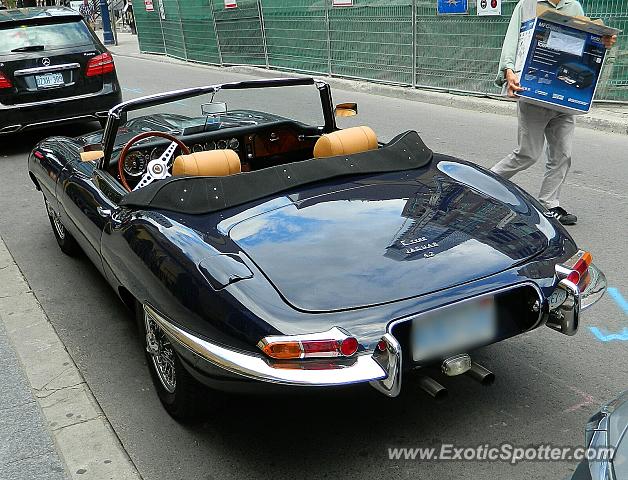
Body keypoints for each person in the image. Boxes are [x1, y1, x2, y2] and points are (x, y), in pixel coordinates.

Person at [491, 0, 617, 225]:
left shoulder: (574, 6)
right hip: (535, 90)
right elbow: (511, 40)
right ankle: (484, 186)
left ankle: (550, 205)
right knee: (527, 154)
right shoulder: (527, 4)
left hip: (565, 96)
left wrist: (603, 42)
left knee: (562, 154)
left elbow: (586, 42)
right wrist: (508, 71)